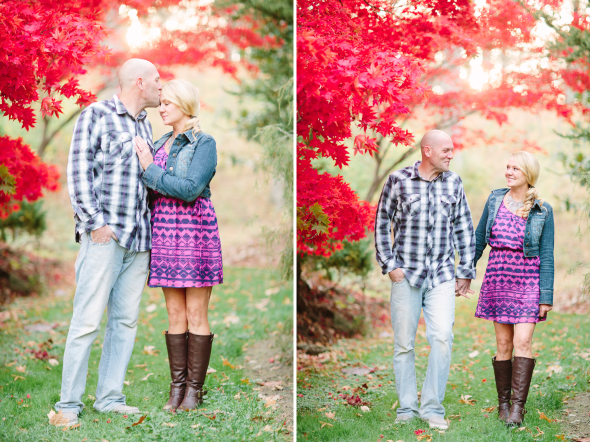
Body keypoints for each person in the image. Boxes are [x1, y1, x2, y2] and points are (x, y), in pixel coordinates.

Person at [57, 59, 162, 425]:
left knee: (125, 322)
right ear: (139, 82)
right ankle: (68, 406)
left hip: (139, 241)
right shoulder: (96, 115)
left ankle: (109, 397)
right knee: (86, 322)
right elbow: (78, 172)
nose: (161, 87)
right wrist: (95, 224)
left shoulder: (146, 125)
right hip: (105, 238)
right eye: (157, 81)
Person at [374, 130, 476, 430]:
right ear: (427, 150)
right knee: (404, 344)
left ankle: (432, 408)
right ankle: (407, 408)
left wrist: (465, 270)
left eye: (452, 150)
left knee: (442, 338)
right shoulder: (398, 180)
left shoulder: (454, 182)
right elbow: (381, 223)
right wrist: (390, 265)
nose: (451, 154)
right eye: (446, 149)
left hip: (442, 275)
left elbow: (464, 228)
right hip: (406, 275)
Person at [134, 79, 222, 412]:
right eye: (161, 102)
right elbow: (152, 191)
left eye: (168, 102)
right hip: (165, 232)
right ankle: (177, 389)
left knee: (196, 313)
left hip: (195, 232)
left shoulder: (204, 143)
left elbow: (190, 190)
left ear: (185, 105)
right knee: (174, 314)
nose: (162, 107)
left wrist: (150, 169)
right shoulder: (158, 142)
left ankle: (194, 392)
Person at [474, 151, 554, 426]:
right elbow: (478, 239)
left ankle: (518, 409)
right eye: (507, 167)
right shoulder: (495, 199)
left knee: (522, 341)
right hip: (498, 277)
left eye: (515, 168)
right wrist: (465, 271)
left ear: (527, 174)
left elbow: (547, 254)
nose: (508, 172)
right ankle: (503, 405)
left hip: (528, 281)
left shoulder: (542, 210)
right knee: (504, 343)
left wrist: (546, 296)